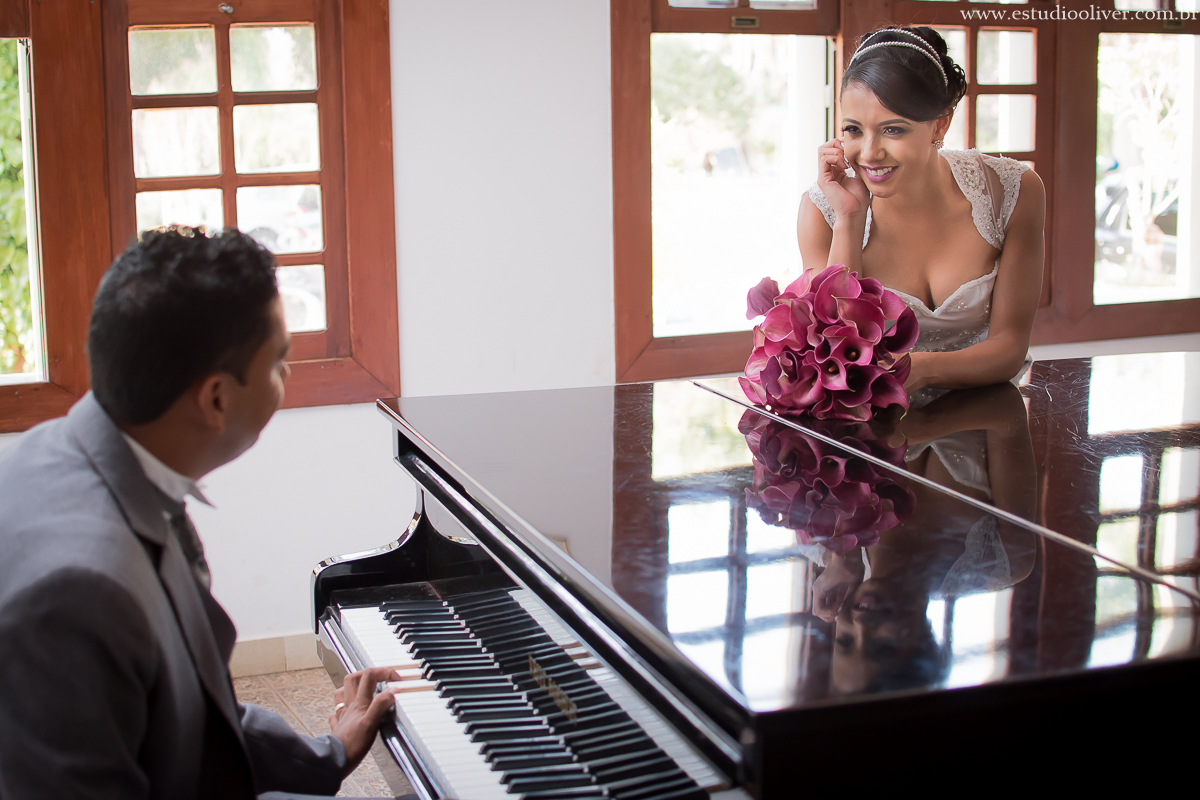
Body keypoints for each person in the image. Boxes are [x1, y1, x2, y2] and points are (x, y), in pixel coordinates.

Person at [0, 228, 401, 799]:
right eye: (279, 362)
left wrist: (326, 755)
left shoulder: (62, 452)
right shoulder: (76, 593)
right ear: (216, 399)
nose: (285, 378)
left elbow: (186, 710)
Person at [797, 26, 1046, 394]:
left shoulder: (1012, 192)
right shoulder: (823, 211)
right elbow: (830, 351)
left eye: (893, 130)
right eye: (853, 130)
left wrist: (922, 369)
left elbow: (1009, 347)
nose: (869, 153)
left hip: (986, 416)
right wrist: (850, 218)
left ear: (940, 123)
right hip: (869, 426)